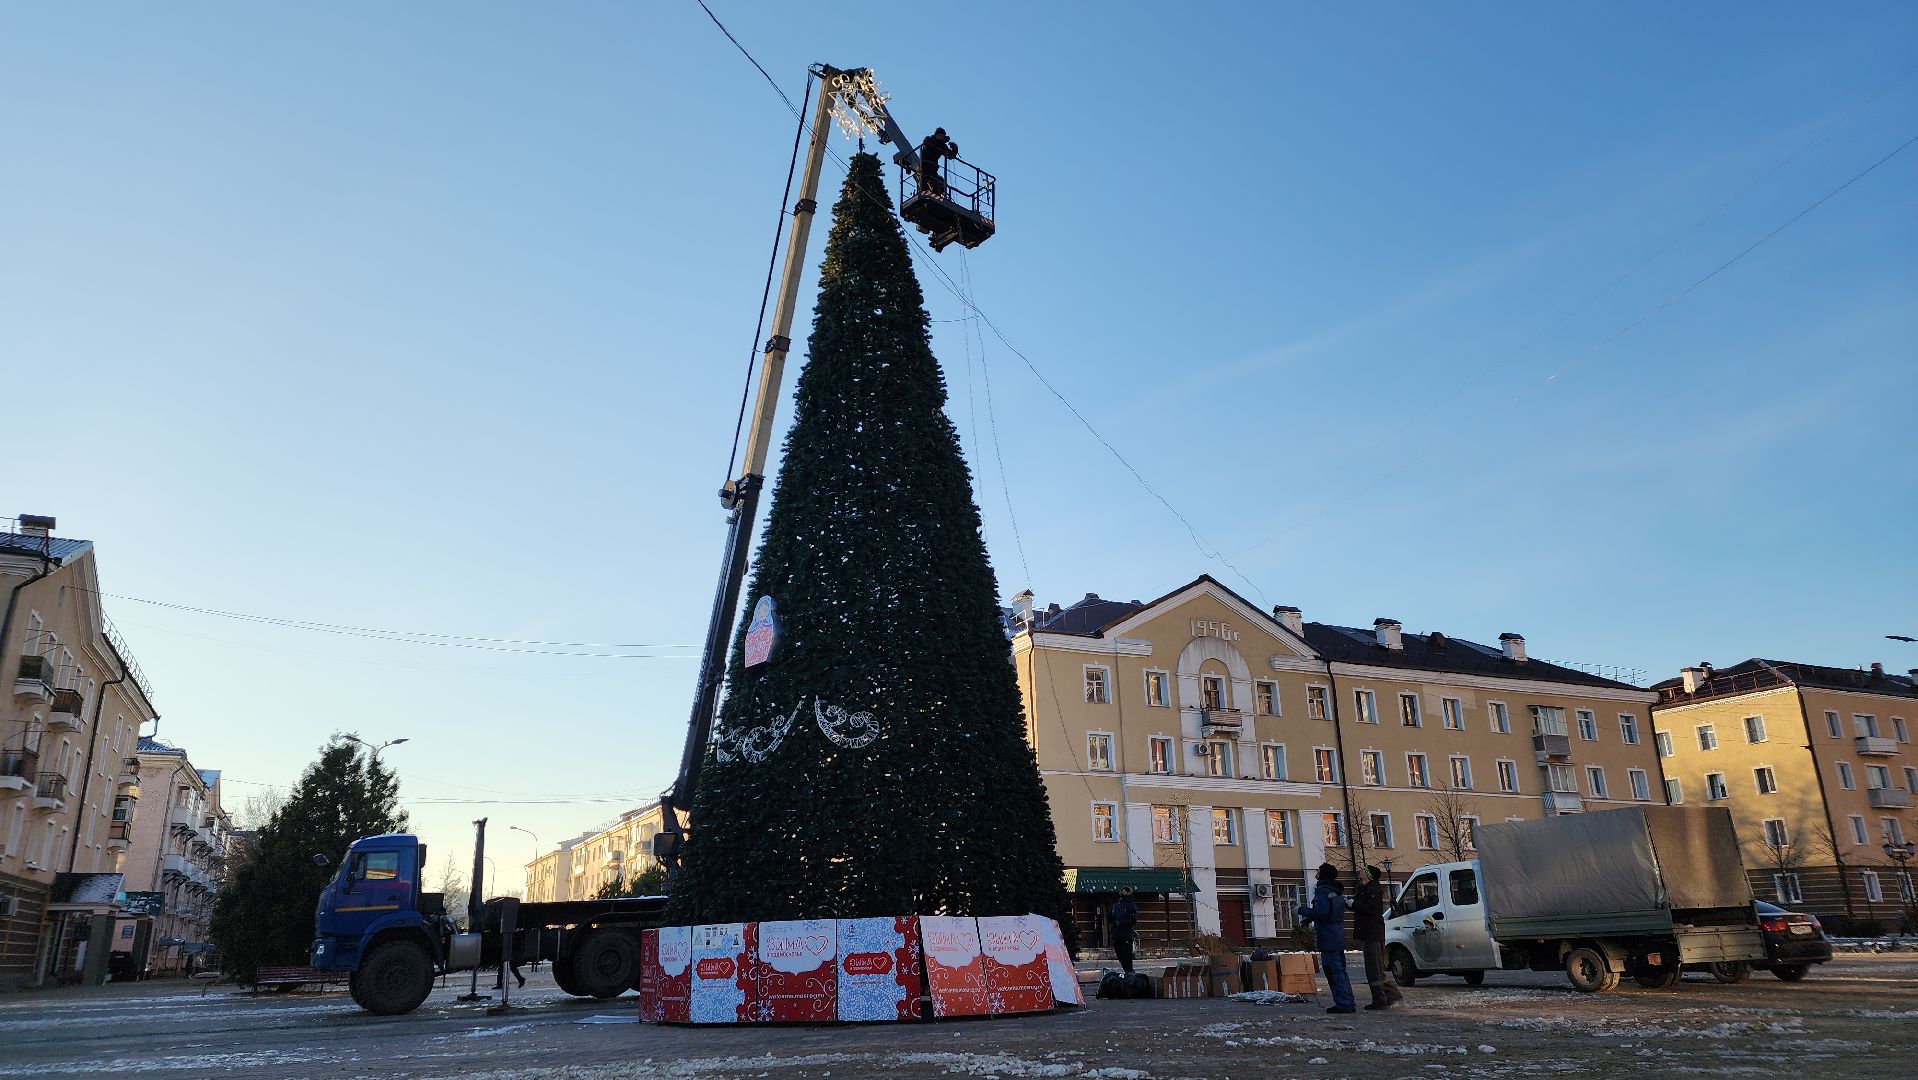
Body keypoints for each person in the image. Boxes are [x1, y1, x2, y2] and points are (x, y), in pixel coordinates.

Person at [1296, 861, 1356, 1013]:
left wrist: (1301, 910)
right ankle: (1348, 1001)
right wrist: (1309, 919)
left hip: (1328, 937)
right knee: (1341, 971)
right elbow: (1329, 912)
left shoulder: (1323, 891)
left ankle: (1343, 1003)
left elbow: (1322, 913)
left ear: (1323, 874)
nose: (1316, 872)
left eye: (1319, 870)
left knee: (1333, 971)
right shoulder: (1335, 891)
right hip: (1337, 935)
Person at [1352, 865, 1403, 1010]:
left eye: (1363, 869)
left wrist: (1353, 904)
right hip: (1370, 933)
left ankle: (1381, 999)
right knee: (1375, 969)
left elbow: (1371, 910)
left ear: (1368, 875)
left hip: (1372, 934)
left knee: (1374, 969)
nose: (1360, 870)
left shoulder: (1372, 889)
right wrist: (1352, 903)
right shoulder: (1366, 888)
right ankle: (1391, 996)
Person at [917, 128, 959, 198]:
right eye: (939, 135)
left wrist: (955, 148)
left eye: (941, 136)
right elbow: (926, 146)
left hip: (932, 169)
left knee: (936, 191)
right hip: (923, 167)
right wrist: (941, 142)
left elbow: (950, 156)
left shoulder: (941, 145)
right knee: (923, 187)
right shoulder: (929, 139)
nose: (940, 137)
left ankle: (936, 198)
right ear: (935, 135)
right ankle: (923, 196)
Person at [1108, 885, 1139, 976]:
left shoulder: (1116, 906)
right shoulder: (1129, 906)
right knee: (1125, 955)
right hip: (1124, 935)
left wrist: (1117, 923)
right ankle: (1129, 972)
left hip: (1119, 935)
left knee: (1123, 956)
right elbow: (1133, 920)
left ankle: (1128, 972)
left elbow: (1109, 917)